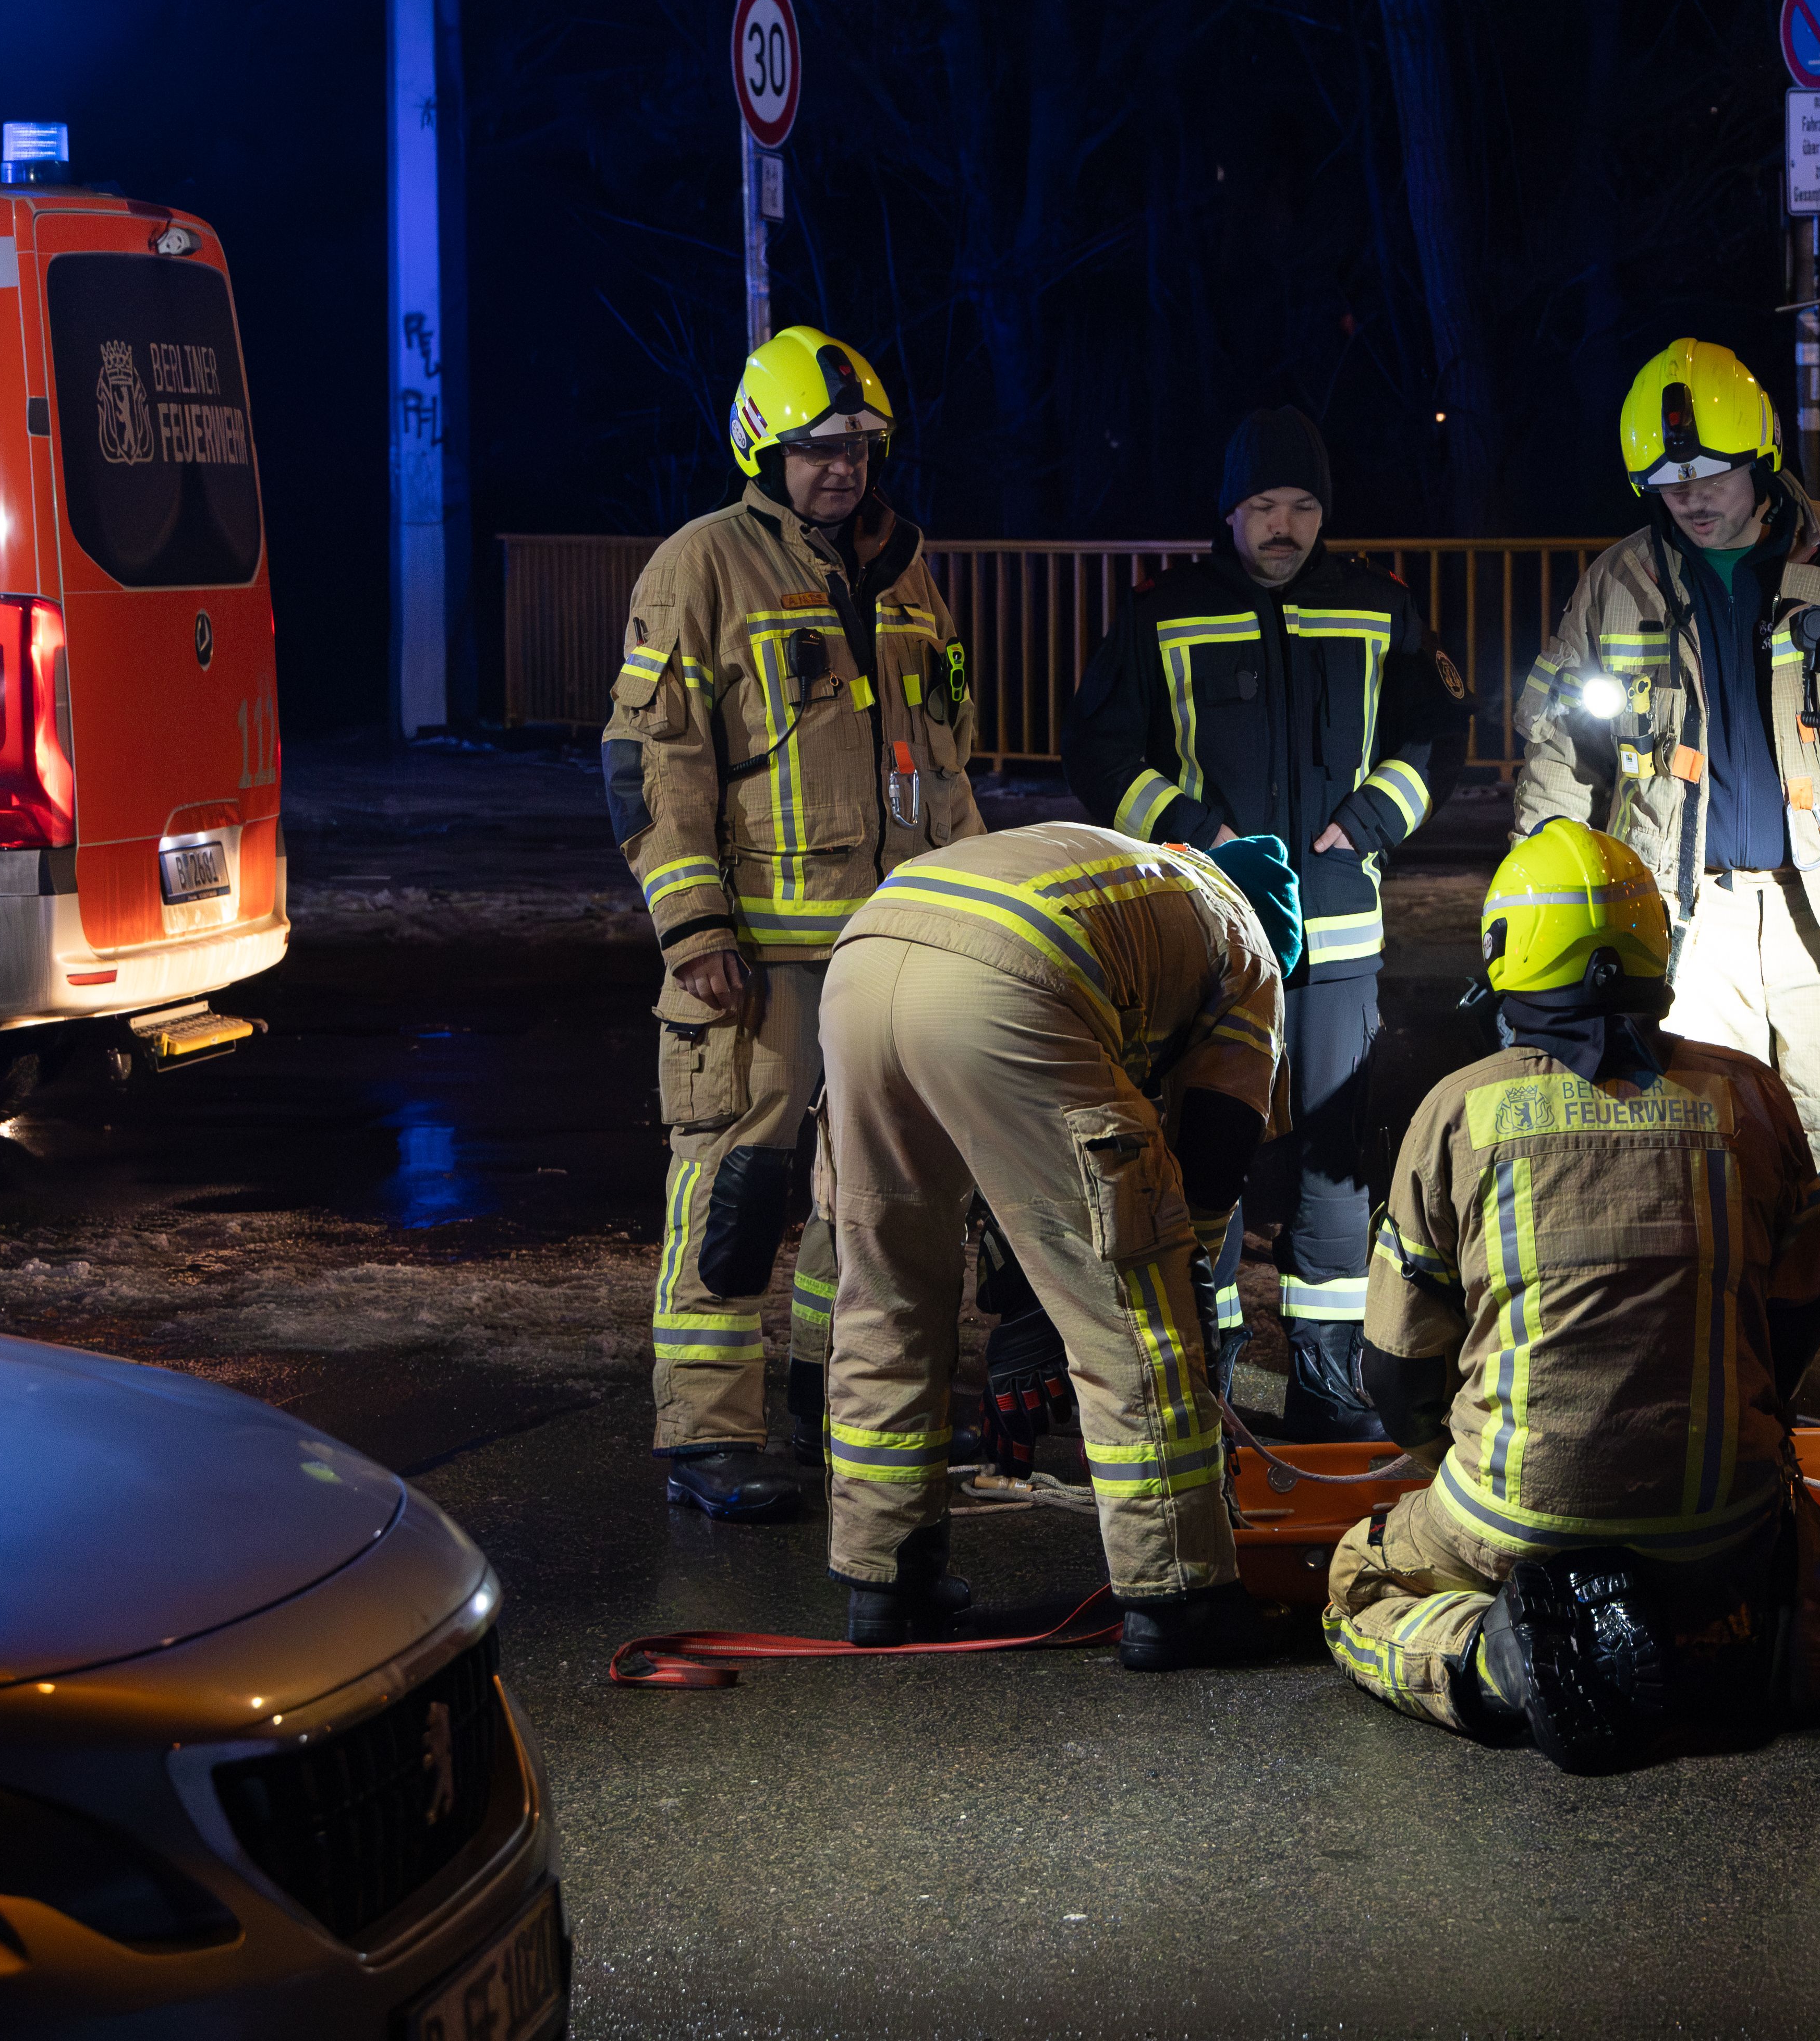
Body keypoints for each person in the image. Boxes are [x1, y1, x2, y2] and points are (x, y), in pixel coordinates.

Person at [1512, 339, 1820, 1428]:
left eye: (1713, 473)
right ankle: (1721, 1412)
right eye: (1670, 482)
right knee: (1689, 1180)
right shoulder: (1617, 587)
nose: (1692, 498)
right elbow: (1556, 752)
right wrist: (1549, 911)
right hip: (1689, 925)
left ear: (1765, 457)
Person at [1322, 819, 1820, 1770]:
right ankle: (1773, 1640)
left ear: (1509, 957)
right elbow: (1791, 1328)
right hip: (1723, 1520)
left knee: (1360, 1578)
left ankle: (1493, 1660)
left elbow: (1396, 1370)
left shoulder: (1458, 1110)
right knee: (1777, 1527)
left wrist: (1455, 1464)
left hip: (1515, 1522)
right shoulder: (1756, 1098)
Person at [602, 324, 985, 1520]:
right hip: (759, 960)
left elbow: (951, 758)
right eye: (820, 450)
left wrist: (980, 915)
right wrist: (695, 928)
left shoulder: (909, 571)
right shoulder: (699, 567)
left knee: (878, 1194)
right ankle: (708, 1438)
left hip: (895, 949)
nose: (845, 469)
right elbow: (652, 765)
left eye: (863, 448)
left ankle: (841, 1400)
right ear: (763, 450)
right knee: (734, 1191)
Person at [815, 821, 1304, 1668]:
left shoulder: (1129, 879)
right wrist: (1172, 1290)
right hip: (1002, 981)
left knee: (887, 1279)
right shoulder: (1249, 943)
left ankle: (886, 1577)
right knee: (1134, 1305)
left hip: (865, 957)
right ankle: (1178, 1596)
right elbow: (1212, 1159)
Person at [1064, 407, 1458, 1440]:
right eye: (1263, 506)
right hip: (1208, 936)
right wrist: (1195, 833)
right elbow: (1102, 751)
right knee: (1210, 1149)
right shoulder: (1163, 612)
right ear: (1229, 511)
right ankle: (1216, 1363)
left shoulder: (1382, 609)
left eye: (1302, 505)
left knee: (1338, 1157)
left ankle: (1330, 1375)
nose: (1283, 526)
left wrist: (1370, 820)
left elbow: (1435, 733)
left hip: (1337, 937)